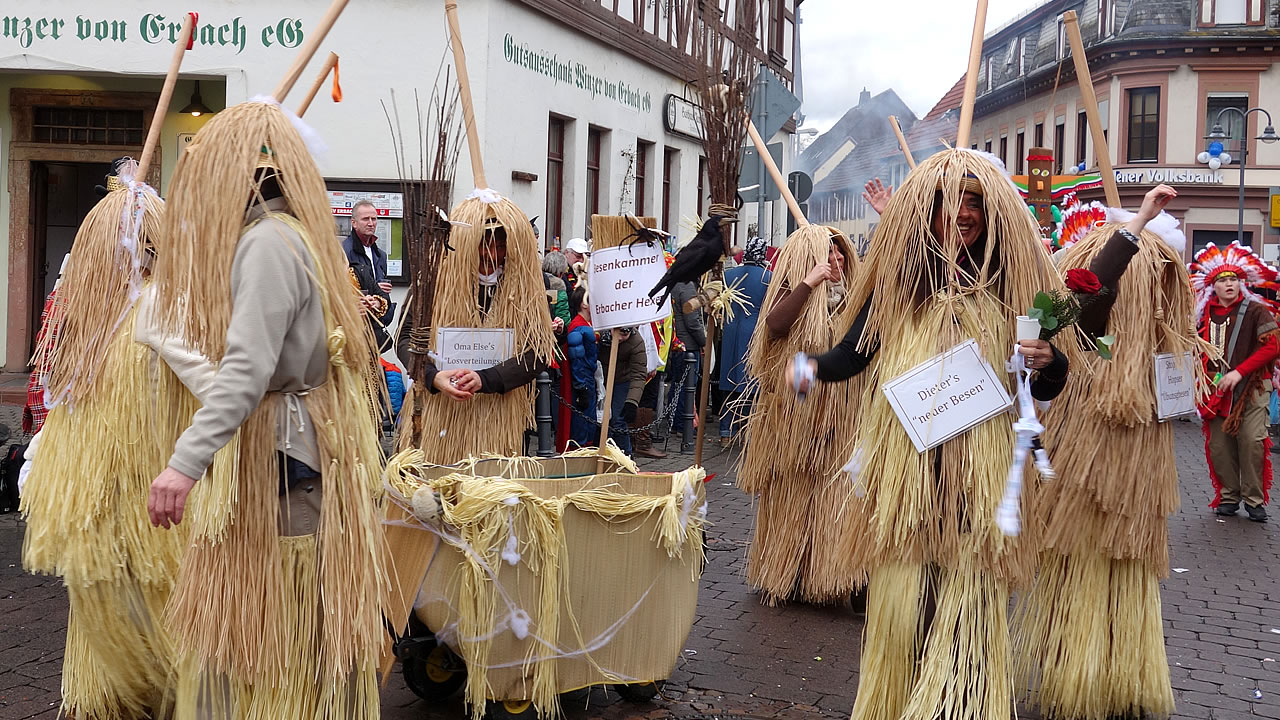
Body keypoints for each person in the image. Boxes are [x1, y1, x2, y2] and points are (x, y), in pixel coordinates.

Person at [787, 149, 1072, 720]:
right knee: (909, 593)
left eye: (975, 203)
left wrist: (1045, 360)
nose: (963, 213)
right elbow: (853, 353)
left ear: (992, 215)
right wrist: (811, 366)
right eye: (952, 202)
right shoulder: (898, 283)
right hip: (911, 470)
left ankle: (963, 697)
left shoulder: (1010, 288)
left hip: (977, 471)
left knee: (968, 586)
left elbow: (1048, 383)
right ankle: (906, 695)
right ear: (931, 211)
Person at [145, 101, 388, 719]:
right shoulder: (296, 235)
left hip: (288, 460)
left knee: (285, 624)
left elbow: (246, 372)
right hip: (301, 450)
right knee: (293, 623)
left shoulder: (266, 245)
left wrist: (183, 463)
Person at [1015, 184, 1196, 720]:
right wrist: (1137, 224)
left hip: (1139, 453)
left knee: (1129, 563)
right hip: (1085, 444)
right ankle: (1079, 675)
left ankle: (1120, 675)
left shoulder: (1157, 346)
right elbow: (1092, 294)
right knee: (1078, 554)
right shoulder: (1083, 323)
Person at [20, 160, 190, 720]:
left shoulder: (166, 308)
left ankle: (156, 692)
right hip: (97, 493)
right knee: (101, 592)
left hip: (153, 486)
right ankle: (113, 695)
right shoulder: (86, 312)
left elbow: (207, 384)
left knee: (150, 589)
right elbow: (59, 399)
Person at [738, 224, 859, 606]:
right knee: (792, 493)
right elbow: (774, 326)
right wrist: (808, 283)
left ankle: (826, 577)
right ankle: (785, 572)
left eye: (840, 252)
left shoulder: (853, 302)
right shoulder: (795, 297)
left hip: (840, 421)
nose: (837, 258)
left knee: (832, 497)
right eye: (829, 253)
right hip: (794, 423)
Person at [1191, 240, 1280, 522]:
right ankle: (1229, 496)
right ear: (1213, 286)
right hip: (1214, 390)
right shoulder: (1204, 313)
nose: (1229, 284)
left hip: (1252, 387)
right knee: (1219, 446)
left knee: (1252, 440)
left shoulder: (1255, 311)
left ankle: (1254, 500)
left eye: (1233, 280)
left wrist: (1239, 372)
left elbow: (1273, 346)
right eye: (1223, 280)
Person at [718, 235, 773, 446]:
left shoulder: (729, 275)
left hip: (730, 332)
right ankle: (750, 431)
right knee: (753, 384)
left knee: (728, 384)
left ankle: (725, 431)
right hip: (755, 334)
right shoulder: (768, 277)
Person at [344, 198, 395, 351]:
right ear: (354, 223)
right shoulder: (344, 251)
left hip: (376, 324)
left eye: (374, 218)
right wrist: (374, 289)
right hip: (354, 327)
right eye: (365, 219)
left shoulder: (380, 254)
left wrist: (380, 295)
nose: (371, 223)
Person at [597, 326, 647, 456]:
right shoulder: (599, 334)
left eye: (624, 334)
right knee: (600, 420)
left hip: (621, 381)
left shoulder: (636, 342)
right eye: (617, 333)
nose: (619, 338)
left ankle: (626, 456)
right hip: (599, 380)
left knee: (618, 420)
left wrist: (632, 401)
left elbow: (639, 374)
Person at [565, 286, 598, 448]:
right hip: (584, 380)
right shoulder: (578, 327)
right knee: (583, 423)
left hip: (588, 379)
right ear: (584, 304)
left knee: (588, 422)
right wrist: (581, 386)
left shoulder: (586, 324)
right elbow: (576, 358)